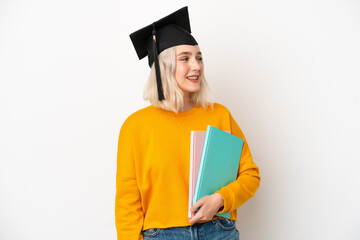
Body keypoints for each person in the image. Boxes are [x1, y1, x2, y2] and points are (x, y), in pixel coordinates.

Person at [115, 6, 260, 240]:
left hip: (218, 231)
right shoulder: (135, 127)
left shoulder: (219, 115)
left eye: (199, 58)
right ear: (163, 67)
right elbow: (127, 203)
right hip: (161, 235)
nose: (197, 66)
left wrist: (220, 200)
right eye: (185, 58)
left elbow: (250, 175)